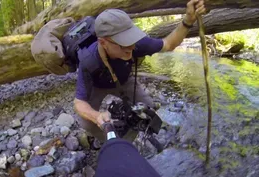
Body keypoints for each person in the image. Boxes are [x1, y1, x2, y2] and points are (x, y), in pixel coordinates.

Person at [73, 0, 206, 143]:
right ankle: (110, 141)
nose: (130, 48)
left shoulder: (136, 44)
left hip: (124, 81)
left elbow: (168, 44)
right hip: (97, 86)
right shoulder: (89, 60)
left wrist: (188, 20)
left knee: (148, 108)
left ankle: (141, 132)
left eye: (130, 40)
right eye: (123, 43)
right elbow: (79, 102)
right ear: (103, 43)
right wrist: (96, 116)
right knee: (87, 123)